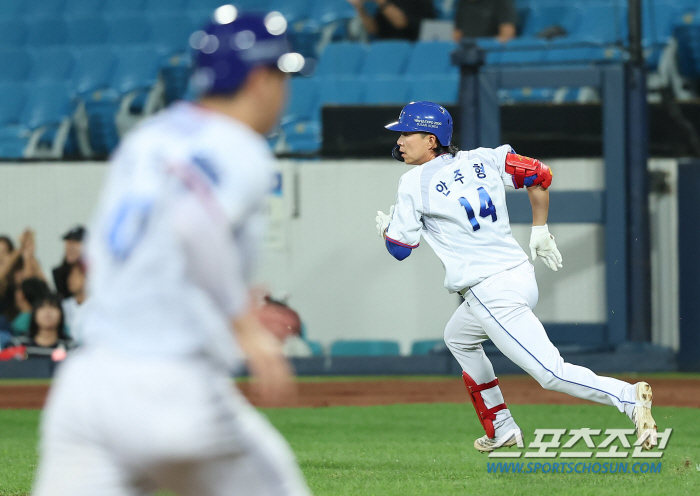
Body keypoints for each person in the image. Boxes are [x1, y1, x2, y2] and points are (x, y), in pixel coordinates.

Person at [32, 7, 311, 496]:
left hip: (87, 388)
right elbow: (192, 225)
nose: (286, 92)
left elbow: (105, 250)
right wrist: (242, 323)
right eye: (282, 77)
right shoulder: (238, 146)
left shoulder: (149, 136)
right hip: (171, 386)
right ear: (259, 81)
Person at [375, 101, 657, 452]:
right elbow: (539, 174)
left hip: (490, 291)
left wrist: (388, 230)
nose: (400, 140)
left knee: (550, 373)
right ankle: (501, 427)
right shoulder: (484, 158)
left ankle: (627, 397)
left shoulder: (413, 182)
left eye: (407, 133)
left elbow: (400, 248)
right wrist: (540, 228)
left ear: (431, 140)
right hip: (519, 276)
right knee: (458, 338)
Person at [9, 294, 73, 361]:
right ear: (34, 314)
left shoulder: (70, 346)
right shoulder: (19, 343)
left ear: (61, 314)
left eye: (53, 307)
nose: (47, 312)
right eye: (42, 307)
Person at [346, 0, 435, 41]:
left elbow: (401, 23)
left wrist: (381, 1)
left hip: (412, 45)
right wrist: (359, 8)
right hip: (385, 47)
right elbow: (373, 30)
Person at [453, 0, 517, 43]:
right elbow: (458, 33)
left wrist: (491, 47)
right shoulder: (463, 2)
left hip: (490, 51)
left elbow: (507, 33)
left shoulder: (501, 1)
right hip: (467, 52)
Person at [51, 225, 85, 300]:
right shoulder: (59, 274)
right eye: (68, 242)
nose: (70, 247)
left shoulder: (96, 273)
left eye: (75, 242)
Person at [60, 260, 87, 342]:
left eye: (76, 275)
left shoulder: (99, 306)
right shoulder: (63, 305)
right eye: (70, 275)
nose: (70, 279)